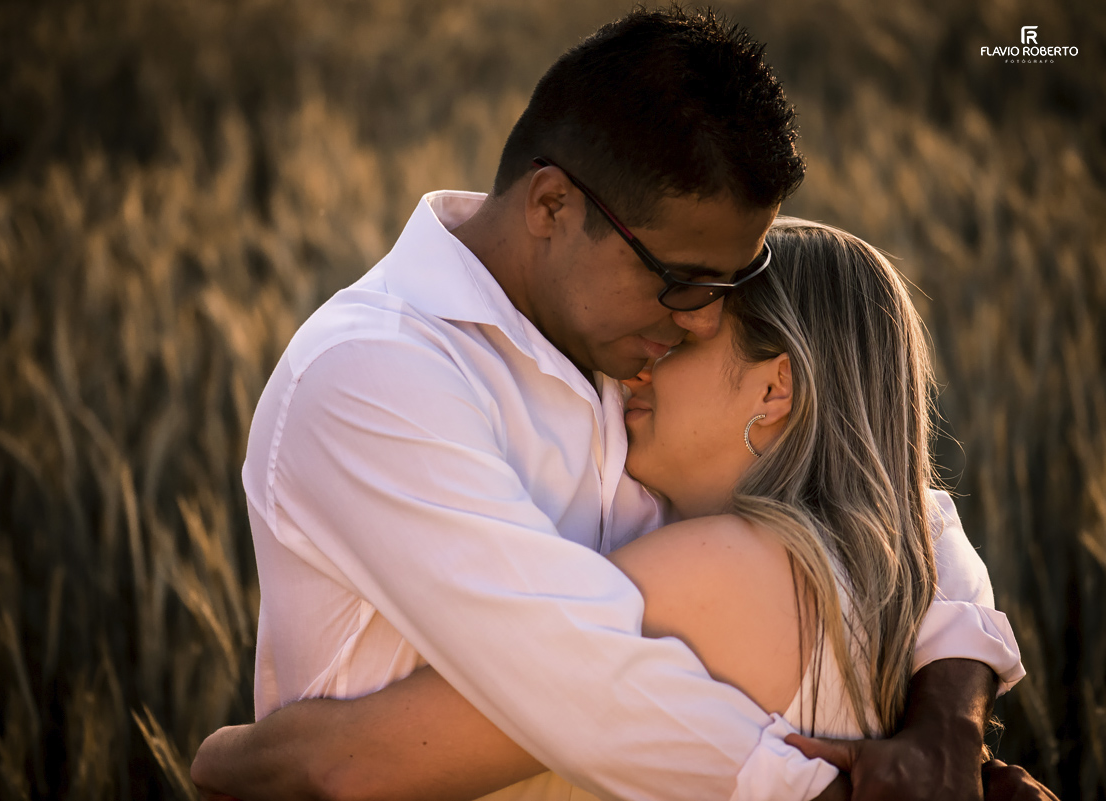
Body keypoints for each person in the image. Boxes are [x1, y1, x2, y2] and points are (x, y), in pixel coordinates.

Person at [193, 8, 1026, 800]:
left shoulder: (624, 346)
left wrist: (950, 721)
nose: (701, 317)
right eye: (681, 280)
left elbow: (884, 494)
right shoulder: (375, 373)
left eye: (727, 285)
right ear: (551, 206)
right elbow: (579, 677)